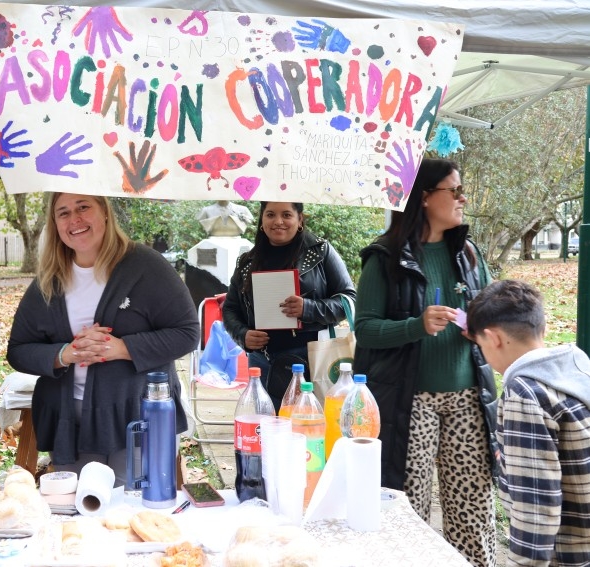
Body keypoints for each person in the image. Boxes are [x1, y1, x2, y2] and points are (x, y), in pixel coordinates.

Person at [354, 158, 495, 566]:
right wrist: (416, 326)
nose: (463, 198)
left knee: (473, 509)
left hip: (468, 395)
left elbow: (491, 311)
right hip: (409, 399)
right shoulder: (385, 258)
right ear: (426, 197)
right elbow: (365, 330)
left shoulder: (468, 253)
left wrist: (482, 327)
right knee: (407, 508)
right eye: (455, 190)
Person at [6, 193, 198, 486]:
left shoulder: (145, 266)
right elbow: (18, 350)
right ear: (55, 223)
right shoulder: (49, 279)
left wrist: (122, 348)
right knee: (78, 514)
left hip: (138, 417)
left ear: (105, 212)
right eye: (64, 212)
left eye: (83, 207)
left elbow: (187, 333)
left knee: (132, 511)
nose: (75, 219)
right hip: (71, 424)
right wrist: (65, 354)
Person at [466, 280, 590, 566]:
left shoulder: (526, 394)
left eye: (482, 346)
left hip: (566, 555)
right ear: (542, 328)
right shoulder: (575, 364)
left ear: (493, 338)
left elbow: (536, 512)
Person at [221, 201, 356, 410]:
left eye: (286, 215)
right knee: (265, 430)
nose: (278, 222)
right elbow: (230, 308)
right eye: (270, 215)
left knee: (306, 430)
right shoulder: (247, 261)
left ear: (299, 219)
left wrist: (308, 308)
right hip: (262, 362)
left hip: (311, 360)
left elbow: (349, 300)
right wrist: (243, 334)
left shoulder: (321, 251)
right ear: (262, 220)